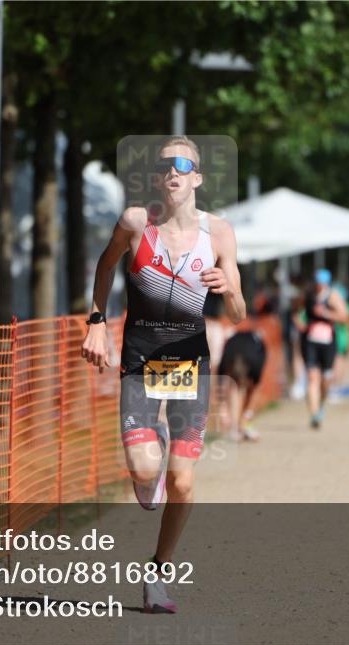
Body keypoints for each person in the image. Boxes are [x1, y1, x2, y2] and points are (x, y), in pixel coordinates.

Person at [81, 136, 244, 614]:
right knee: (148, 469)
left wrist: (228, 288)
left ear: (196, 178)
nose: (173, 171)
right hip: (140, 358)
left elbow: (236, 313)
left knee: (184, 482)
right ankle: (144, 470)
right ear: (159, 178)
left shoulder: (219, 235)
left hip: (191, 362)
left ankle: (158, 573)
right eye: (165, 165)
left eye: (183, 165)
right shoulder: (136, 223)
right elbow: (105, 266)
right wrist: (96, 324)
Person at [294, 268, 348, 429]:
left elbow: (344, 317)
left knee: (325, 380)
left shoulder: (333, 296)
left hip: (328, 342)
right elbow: (295, 311)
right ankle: (314, 414)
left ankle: (321, 403)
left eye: (321, 283)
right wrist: (301, 325)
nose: (319, 286)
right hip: (309, 341)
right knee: (312, 377)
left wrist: (325, 313)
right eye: (317, 282)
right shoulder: (308, 296)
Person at [217, 326, 267, 441]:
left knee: (250, 389)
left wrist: (248, 414)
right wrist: (223, 410)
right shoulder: (225, 361)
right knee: (234, 388)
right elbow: (219, 384)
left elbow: (257, 387)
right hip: (235, 345)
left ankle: (245, 424)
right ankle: (235, 428)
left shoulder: (256, 364)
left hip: (257, 347)